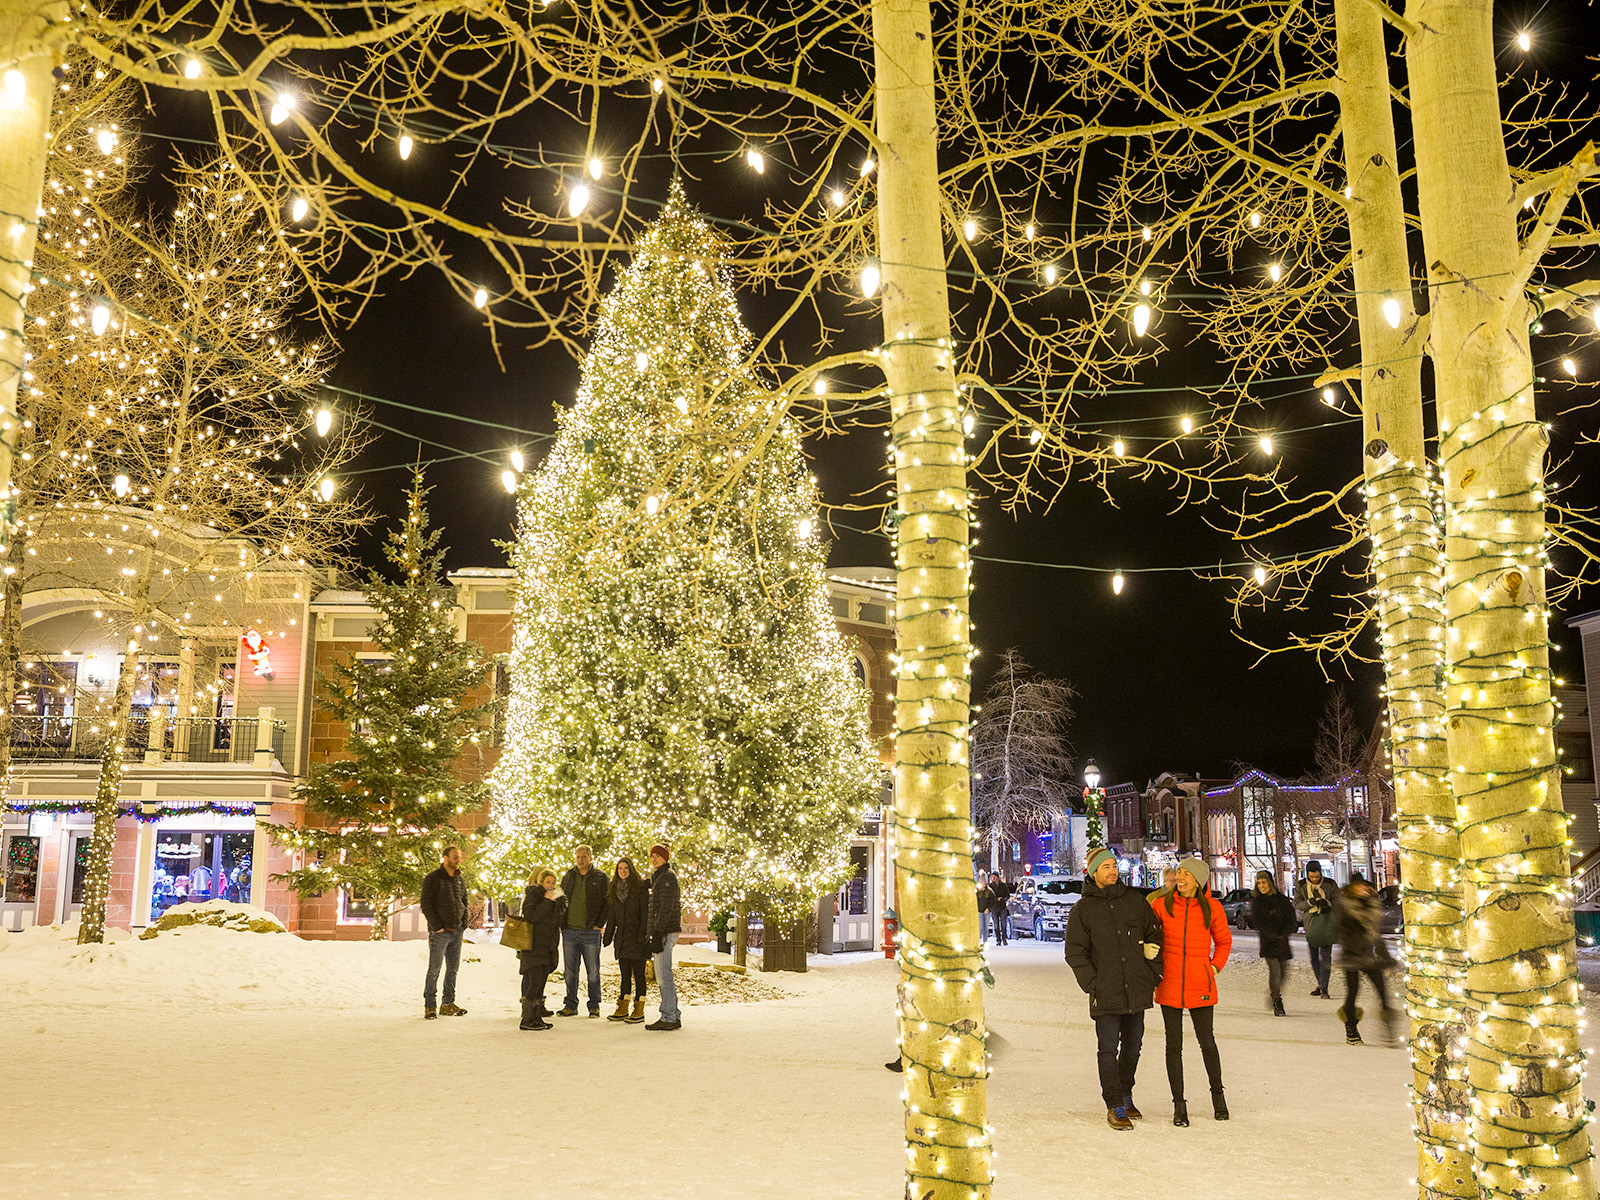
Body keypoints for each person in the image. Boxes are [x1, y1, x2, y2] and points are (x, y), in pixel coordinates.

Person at [1064, 847, 1164, 1131]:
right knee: (1108, 1049)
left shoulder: (1135, 901)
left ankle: (1126, 1092)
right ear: (1093, 872)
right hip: (1105, 990)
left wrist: (1152, 974)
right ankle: (1114, 1104)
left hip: (1137, 987)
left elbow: (1154, 936)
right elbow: (1075, 952)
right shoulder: (1083, 910)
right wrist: (1092, 984)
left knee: (1133, 1047)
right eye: (1105, 867)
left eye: (1113, 865)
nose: (1112, 871)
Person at [1149, 858, 1232, 1125]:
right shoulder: (1161, 905)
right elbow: (1147, 934)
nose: (1180, 878)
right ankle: (1179, 1105)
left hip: (1200, 983)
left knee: (1207, 1042)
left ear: (1198, 880)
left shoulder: (1212, 908)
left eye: (1186, 874)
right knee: (1173, 1046)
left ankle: (1218, 1097)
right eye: (1179, 873)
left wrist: (1214, 967)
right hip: (1169, 982)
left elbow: (1224, 941)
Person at [1336, 873, 1398, 1046]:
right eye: (1358, 885)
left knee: (1382, 991)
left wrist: (1386, 957)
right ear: (1352, 888)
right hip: (1351, 955)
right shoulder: (1344, 906)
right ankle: (1351, 1028)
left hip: (1368, 956)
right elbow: (1339, 932)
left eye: (1364, 885)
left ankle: (1389, 1030)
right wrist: (1355, 946)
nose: (1362, 889)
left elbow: (1375, 936)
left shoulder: (1372, 905)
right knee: (1353, 991)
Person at [558, 844, 610, 1018]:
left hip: (590, 932)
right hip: (569, 932)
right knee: (570, 972)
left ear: (591, 858)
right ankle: (570, 1005)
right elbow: (560, 899)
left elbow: (608, 902)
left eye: (584, 857)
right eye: (578, 857)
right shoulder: (568, 876)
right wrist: (561, 922)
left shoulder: (601, 878)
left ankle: (594, 1005)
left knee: (593, 972)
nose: (580, 860)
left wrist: (599, 924)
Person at [420, 845, 469, 1019]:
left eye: (459, 857)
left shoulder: (459, 879)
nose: (458, 860)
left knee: (453, 969)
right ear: (445, 858)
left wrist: (463, 923)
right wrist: (437, 926)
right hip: (440, 932)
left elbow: (464, 901)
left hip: (457, 931)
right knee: (434, 969)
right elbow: (426, 904)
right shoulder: (433, 878)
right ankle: (430, 1005)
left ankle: (448, 1003)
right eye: (455, 857)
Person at [604, 855, 650, 1024]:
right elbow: (612, 916)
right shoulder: (614, 890)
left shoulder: (640, 888)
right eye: (620, 868)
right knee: (624, 975)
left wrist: (643, 934)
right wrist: (608, 936)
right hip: (622, 939)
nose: (623, 871)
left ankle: (639, 1009)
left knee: (639, 975)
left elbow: (645, 913)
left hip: (637, 938)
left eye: (626, 868)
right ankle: (622, 1007)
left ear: (631, 870)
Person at [518, 868, 565, 1031]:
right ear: (541, 882)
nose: (551, 885)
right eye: (547, 882)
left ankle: (536, 1016)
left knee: (541, 984)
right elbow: (533, 917)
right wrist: (547, 901)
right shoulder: (534, 896)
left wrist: (559, 903)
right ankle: (527, 1018)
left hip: (548, 946)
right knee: (534, 982)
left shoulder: (555, 899)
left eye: (553, 882)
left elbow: (557, 922)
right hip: (533, 946)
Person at [645, 843, 682, 1031]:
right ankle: (673, 1014)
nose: (654, 859)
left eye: (658, 856)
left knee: (663, 976)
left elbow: (666, 907)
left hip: (665, 931)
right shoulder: (660, 877)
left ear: (665, 858)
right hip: (664, 930)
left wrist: (658, 932)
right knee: (664, 974)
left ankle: (668, 1017)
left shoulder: (667, 877)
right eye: (652, 856)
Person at [1250, 869, 1296, 1016]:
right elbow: (1258, 923)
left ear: (1270, 883)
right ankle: (1277, 1001)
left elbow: (1291, 918)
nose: (1261, 886)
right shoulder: (1258, 903)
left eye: (1264, 882)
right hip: (1268, 942)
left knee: (1283, 974)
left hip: (1282, 942)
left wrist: (1285, 932)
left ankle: (1274, 991)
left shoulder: (1282, 900)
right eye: (1259, 883)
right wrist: (1271, 934)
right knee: (1275, 971)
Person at [1294, 860, 1340, 998]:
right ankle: (1321, 983)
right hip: (1311, 924)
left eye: (1317, 876)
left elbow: (1338, 902)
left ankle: (1324, 987)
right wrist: (1310, 902)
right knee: (1314, 957)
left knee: (1326, 956)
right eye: (1312, 877)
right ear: (1307, 874)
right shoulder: (1301, 885)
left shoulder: (1330, 884)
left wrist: (1327, 903)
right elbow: (1297, 904)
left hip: (1327, 923)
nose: (1315, 879)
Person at [985, 872, 1012, 946]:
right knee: (996, 925)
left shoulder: (1003, 885)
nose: (993, 878)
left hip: (1002, 907)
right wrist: (995, 899)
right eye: (992, 877)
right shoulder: (990, 886)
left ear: (997, 877)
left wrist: (1003, 899)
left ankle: (1004, 938)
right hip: (994, 908)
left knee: (1003, 924)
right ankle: (998, 939)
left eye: (994, 877)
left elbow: (1007, 895)